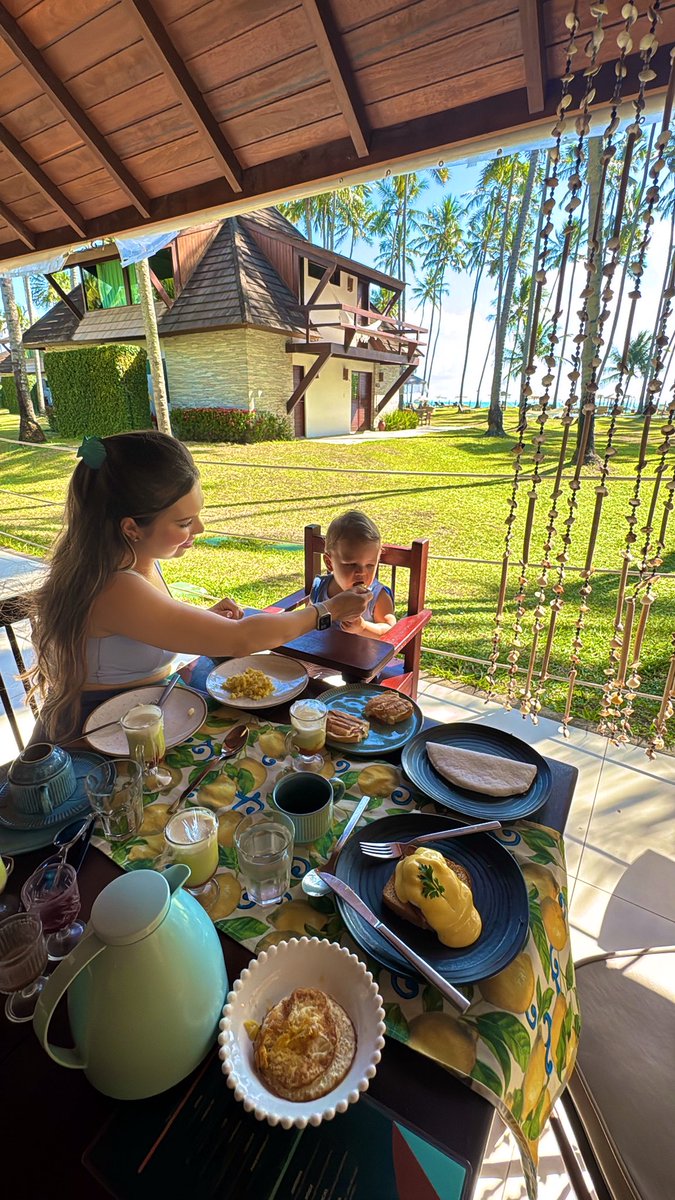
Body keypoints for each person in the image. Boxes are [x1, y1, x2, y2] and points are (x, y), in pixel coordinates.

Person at [28, 432, 369, 742]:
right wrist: (328, 610)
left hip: (140, 713)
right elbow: (242, 639)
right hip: (100, 737)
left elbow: (137, 633)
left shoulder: (133, 558)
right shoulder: (113, 585)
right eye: (184, 522)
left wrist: (200, 622)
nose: (201, 528)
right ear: (131, 527)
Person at [309, 510, 396, 639]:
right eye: (351, 564)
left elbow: (390, 629)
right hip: (319, 655)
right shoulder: (320, 588)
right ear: (329, 563)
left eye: (370, 565)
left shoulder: (378, 596)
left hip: (364, 658)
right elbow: (309, 618)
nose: (361, 572)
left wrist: (363, 627)